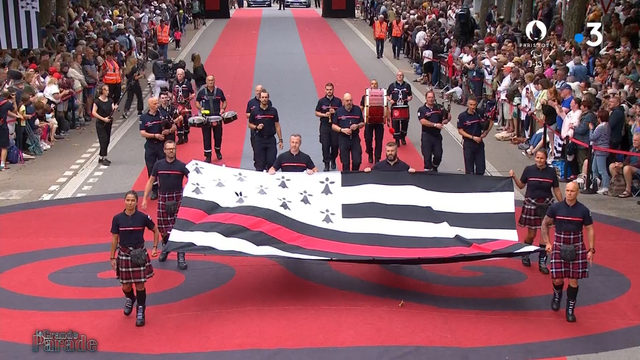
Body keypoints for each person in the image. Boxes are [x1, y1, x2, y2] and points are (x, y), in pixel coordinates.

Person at [542, 182, 595, 322]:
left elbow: (590, 229)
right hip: (559, 244)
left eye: (572, 191)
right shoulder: (556, 207)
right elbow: (545, 223)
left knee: (573, 279)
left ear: (577, 192)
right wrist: (547, 242)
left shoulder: (583, 210)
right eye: (567, 190)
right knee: (557, 278)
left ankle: (570, 309)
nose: (569, 193)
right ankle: (557, 294)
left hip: (576, 246)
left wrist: (591, 249)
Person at [110, 190, 160, 327]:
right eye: (128, 200)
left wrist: (155, 247)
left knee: (140, 284)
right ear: (124, 201)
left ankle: (141, 310)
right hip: (124, 255)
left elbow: (156, 230)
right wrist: (112, 257)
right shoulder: (117, 219)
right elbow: (114, 238)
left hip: (139, 254)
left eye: (132, 200)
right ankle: (130, 298)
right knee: (126, 286)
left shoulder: (143, 217)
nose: (130, 203)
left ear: (136, 202)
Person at [509, 149, 563, 274]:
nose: (539, 160)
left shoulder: (551, 172)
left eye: (542, 158)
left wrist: (562, 204)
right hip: (531, 204)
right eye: (537, 158)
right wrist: (514, 177)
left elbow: (556, 189)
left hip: (546, 205)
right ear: (535, 158)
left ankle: (542, 261)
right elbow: (521, 186)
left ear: (545, 159)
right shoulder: (529, 170)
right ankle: (525, 253)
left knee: (545, 234)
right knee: (531, 234)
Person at [142, 140, 190, 270]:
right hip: (163, 197)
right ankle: (167, 247)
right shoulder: (158, 165)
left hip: (177, 197)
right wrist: (145, 198)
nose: (171, 151)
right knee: (163, 229)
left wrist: (187, 192)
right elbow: (151, 181)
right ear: (164, 150)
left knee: (178, 228)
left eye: (173, 149)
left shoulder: (181, 166)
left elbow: (193, 179)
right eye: (168, 149)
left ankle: (181, 256)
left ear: (175, 150)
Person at [140, 97, 173, 200]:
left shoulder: (163, 114)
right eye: (154, 104)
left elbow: (174, 126)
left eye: (157, 103)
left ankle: (165, 188)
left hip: (162, 146)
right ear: (149, 105)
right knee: (151, 168)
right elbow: (142, 133)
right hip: (150, 146)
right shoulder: (144, 117)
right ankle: (155, 190)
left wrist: (168, 131)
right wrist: (155, 135)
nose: (157, 105)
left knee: (164, 166)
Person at [248, 89, 283, 171]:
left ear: (268, 98)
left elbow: (277, 125)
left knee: (271, 161)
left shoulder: (273, 111)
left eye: (266, 97)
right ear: (259, 98)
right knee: (260, 163)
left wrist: (280, 140)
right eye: (262, 97)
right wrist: (256, 127)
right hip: (259, 139)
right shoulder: (254, 111)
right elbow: (249, 124)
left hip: (270, 139)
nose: (264, 99)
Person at [195, 75, 227, 162]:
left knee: (218, 137)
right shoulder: (202, 92)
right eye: (209, 80)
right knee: (206, 137)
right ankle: (208, 155)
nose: (210, 82)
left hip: (217, 117)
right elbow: (197, 102)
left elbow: (224, 101)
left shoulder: (219, 91)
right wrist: (200, 108)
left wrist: (223, 109)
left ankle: (218, 151)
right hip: (206, 118)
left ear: (214, 81)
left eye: (212, 80)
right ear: (206, 81)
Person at [457, 96, 491, 175]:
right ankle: (470, 185)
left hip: (479, 144)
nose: (472, 107)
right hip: (469, 144)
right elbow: (460, 130)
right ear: (467, 104)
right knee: (469, 170)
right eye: (471, 105)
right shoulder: (462, 116)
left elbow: (490, 120)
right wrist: (472, 137)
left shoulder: (480, 113)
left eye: (474, 105)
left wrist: (486, 132)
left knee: (481, 169)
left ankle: (479, 185)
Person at [418, 90, 450, 171]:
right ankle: (427, 172)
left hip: (437, 136)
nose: (431, 99)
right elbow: (423, 121)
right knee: (427, 156)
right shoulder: (422, 109)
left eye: (432, 97)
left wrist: (446, 120)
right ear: (426, 98)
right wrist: (435, 125)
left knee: (438, 155)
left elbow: (448, 116)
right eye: (429, 97)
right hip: (427, 135)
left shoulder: (439, 107)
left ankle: (434, 167)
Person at [332, 93, 364, 171]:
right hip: (343, 139)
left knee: (357, 161)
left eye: (350, 100)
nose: (349, 102)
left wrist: (357, 125)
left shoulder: (357, 109)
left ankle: (354, 174)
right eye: (347, 101)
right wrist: (342, 130)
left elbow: (363, 123)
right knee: (345, 163)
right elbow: (333, 126)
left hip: (355, 138)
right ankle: (346, 178)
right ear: (343, 101)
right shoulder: (339, 111)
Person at [315, 82, 342, 171]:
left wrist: (335, 112)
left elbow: (342, 112)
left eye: (330, 90)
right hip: (325, 125)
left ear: (333, 90)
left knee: (335, 145)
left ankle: (333, 158)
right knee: (325, 145)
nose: (329, 91)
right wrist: (324, 115)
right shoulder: (321, 101)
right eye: (327, 90)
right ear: (325, 90)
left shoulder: (338, 101)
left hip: (335, 125)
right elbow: (316, 112)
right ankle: (326, 163)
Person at [360, 79, 386, 164]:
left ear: (377, 86)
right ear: (370, 85)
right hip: (368, 121)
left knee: (379, 140)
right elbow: (361, 108)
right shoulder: (365, 97)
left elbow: (385, 107)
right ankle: (370, 153)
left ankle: (377, 157)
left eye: (375, 84)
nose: (374, 85)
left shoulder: (382, 96)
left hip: (379, 122)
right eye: (372, 84)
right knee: (368, 139)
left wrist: (387, 119)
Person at [248, 85, 273, 170]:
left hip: (268, 132)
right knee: (257, 152)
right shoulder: (251, 103)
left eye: (260, 90)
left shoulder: (268, 103)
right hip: (255, 132)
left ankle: (266, 166)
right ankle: (258, 166)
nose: (258, 92)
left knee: (270, 157)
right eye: (257, 90)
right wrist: (256, 116)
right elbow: (247, 115)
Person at [92, 85, 117, 166]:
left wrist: (115, 108)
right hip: (100, 123)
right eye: (106, 90)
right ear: (102, 91)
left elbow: (112, 109)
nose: (108, 92)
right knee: (103, 140)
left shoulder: (110, 101)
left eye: (108, 90)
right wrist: (103, 119)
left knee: (107, 140)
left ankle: (103, 156)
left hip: (108, 123)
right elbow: (94, 113)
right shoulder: (97, 102)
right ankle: (102, 157)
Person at [387, 71, 413, 146]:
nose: (399, 76)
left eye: (401, 75)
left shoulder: (407, 86)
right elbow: (387, 95)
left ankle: (403, 137)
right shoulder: (392, 85)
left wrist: (409, 98)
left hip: (404, 107)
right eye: (398, 75)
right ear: (396, 76)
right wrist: (390, 100)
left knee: (405, 123)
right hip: (395, 108)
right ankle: (397, 139)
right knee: (395, 124)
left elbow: (410, 95)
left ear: (403, 77)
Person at [171, 69, 195, 145]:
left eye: (181, 74)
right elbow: (171, 93)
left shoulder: (187, 83)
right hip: (177, 105)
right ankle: (180, 137)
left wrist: (191, 96)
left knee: (186, 121)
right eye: (178, 74)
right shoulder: (174, 84)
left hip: (186, 104)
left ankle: (186, 135)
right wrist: (172, 98)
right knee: (178, 121)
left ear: (184, 75)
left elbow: (192, 93)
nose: (179, 76)